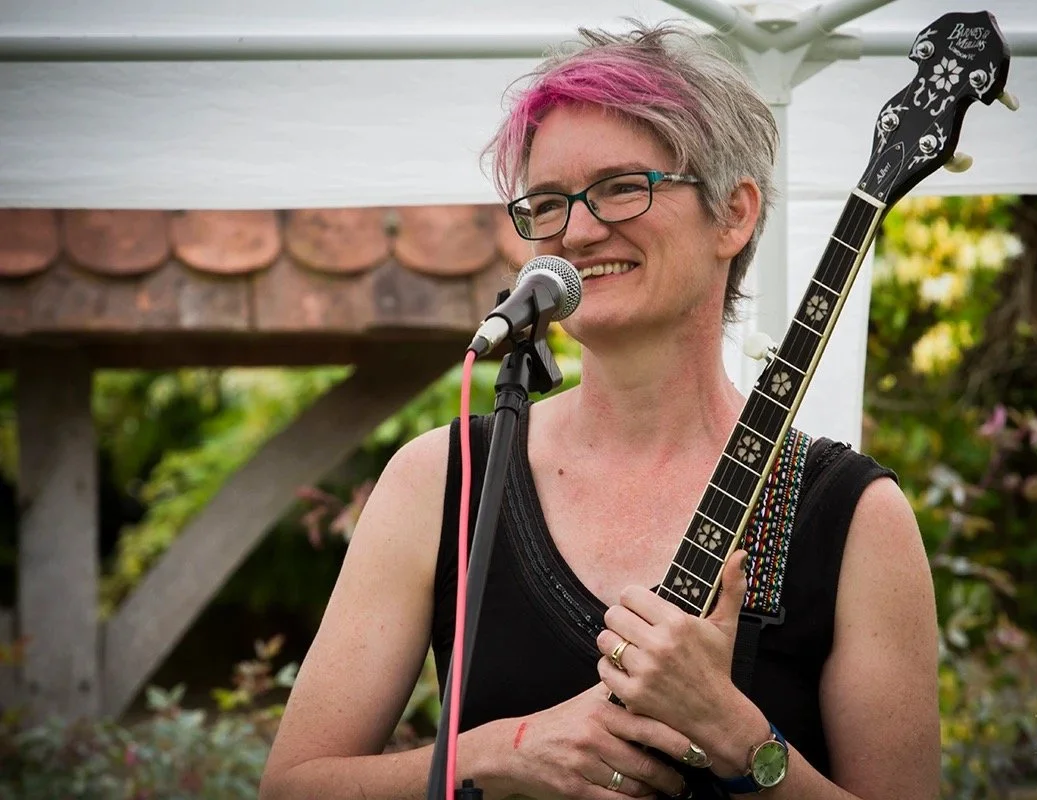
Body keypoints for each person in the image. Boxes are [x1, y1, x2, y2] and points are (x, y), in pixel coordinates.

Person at [260, 23, 939, 800]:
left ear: (734, 215)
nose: (578, 232)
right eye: (548, 203)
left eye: (622, 186)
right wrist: (502, 753)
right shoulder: (442, 479)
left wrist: (738, 737)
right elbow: (293, 786)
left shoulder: (853, 516)